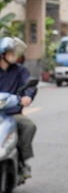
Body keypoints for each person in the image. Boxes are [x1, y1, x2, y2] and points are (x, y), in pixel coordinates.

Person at [0, 37, 37, 177]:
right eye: (11, 52)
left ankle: (22, 159)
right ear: (2, 54)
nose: (14, 55)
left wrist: (27, 97)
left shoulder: (20, 71)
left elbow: (29, 85)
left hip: (11, 113)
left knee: (29, 126)